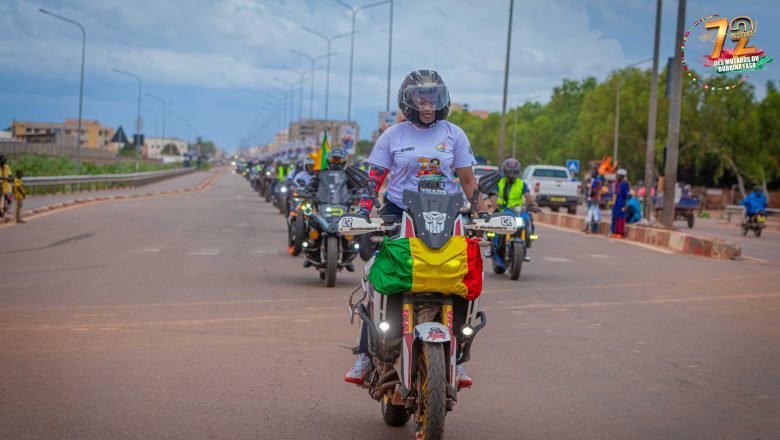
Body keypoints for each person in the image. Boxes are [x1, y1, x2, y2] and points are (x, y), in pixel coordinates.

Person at [346, 69, 484, 389]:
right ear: (407, 101)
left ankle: (458, 357)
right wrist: (364, 212)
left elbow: (467, 181)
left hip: (446, 214)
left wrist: (482, 214)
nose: (427, 105)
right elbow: (374, 180)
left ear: (442, 100)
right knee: (377, 274)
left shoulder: (455, 134)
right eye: (421, 99)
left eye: (433, 98)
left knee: (463, 273)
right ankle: (365, 353)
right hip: (399, 213)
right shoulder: (392, 136)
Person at [494, 157, 535, 262]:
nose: (511, 174)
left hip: (517, 212)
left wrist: (534, 205)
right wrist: (495, 206)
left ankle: (526, 244)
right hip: (503, 211)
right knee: (493, 228)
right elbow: (493, 196)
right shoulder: (499, 182)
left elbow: (528, 196)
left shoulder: (521, 183)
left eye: (514, 172)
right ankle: (493, 248)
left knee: (528, 220)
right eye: (509, 172)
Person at [611, 169, 629, 238]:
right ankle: (614, 232)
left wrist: (625, 205)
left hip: (621, 204)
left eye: (618, 175)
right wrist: (613, 203)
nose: (617, 176)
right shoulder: (617, 184)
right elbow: (615, 193)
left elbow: (626, 196)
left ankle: (620, 233)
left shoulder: (625, 184)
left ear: (622, 176)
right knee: (614, 218)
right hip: (616, 204)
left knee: (620, 219)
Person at [585, 168, 604, 234]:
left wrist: (591, 189)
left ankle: (593, 229)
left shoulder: (597, 180)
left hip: (594, 198)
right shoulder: (596, 179)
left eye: (592, 173)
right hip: (593, 198)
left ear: (595, 173)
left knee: (593, 214)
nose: (591, 174)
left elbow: (595, 189)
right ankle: (590, 228)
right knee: (592, 213)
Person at [0, 155, 12, 220]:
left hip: (6, 185)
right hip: (0, 184)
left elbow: (10, 174)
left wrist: (11, 177)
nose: (4, 161)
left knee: (9, 197)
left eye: (5, 160)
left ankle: (7, 206)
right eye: (3, 159)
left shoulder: (6, 167)